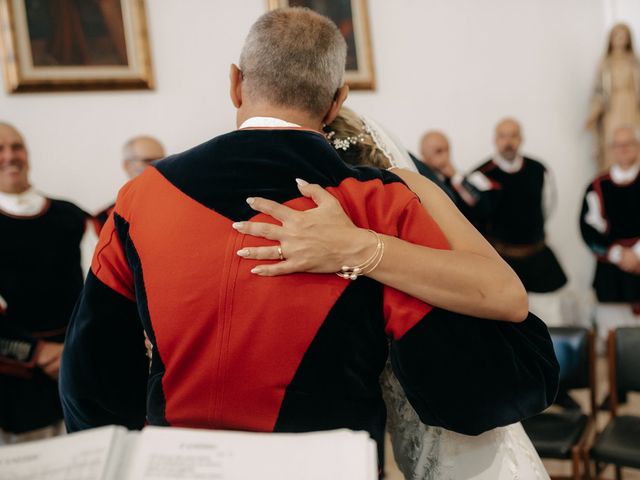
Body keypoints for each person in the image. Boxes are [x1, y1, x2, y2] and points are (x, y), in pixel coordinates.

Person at [60, 8, 557, 474]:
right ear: (337, 99)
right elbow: (458, 376)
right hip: (327, 465)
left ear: (235, 83)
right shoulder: (379, 203)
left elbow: (89, 375)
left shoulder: (142, 196)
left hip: (180, 464)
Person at [237, 107, 551, 479]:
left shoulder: (406, 192)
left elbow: (508, 296)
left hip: (467, 425)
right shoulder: (305, 235)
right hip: (386, 438)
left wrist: (363, 249)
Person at [0, 122, 90, 444]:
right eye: (0, 149)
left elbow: (99, 288)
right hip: (16, 384)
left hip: (81, 365)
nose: (10, 156)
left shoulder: (70, 215)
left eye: (17, 146)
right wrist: (37, 353)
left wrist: (78, 350)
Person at [466, 118, 572, 328]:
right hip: (502, 260)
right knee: (505, 325)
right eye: (503, 136)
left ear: (521, 139)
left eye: (513, 135)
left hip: (537, 256)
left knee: (550, 321)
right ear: (495, 140)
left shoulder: (539, 170)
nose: (508, 141)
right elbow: (473, 219)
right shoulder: (480, 175)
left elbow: (547, 206)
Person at [580, 125, 640, 353]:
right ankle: (616, 389)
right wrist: (617, 254)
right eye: (618, 145)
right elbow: (588, 230)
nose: (623, 149)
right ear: (611, 149)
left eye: (629, 144)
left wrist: (637, 254)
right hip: (611, 277)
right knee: (614, 343)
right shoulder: (597, 187)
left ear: (637, 147)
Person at [586, 23, 640, 170]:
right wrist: (594, 113)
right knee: (613, 141)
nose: (620, 39)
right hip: (612, 108)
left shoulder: (634, 62)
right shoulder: (605, 63)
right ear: (611, 39)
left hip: (632, 108)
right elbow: (598, 91)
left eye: (623, 35)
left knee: (633, 139)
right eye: (617, 35)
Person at [93, 135, 165, 233]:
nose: (157, 165)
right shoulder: (105, 218)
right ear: (127, 165)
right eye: (148, 161)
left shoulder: (180, 203)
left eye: (163, 160)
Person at [418, 130, 490, 224]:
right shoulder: (419, 180)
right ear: (423, 153)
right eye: (438, 151)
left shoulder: (455, 180)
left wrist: (456, 176)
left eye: (447, 150)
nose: (445, 156)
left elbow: (482, 208)